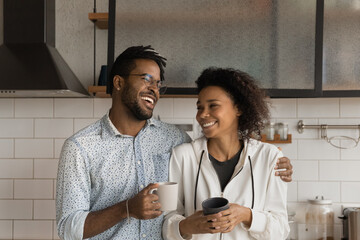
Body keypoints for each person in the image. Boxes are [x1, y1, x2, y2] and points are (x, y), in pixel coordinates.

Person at [56, 46, 293, 240]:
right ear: (118, 83)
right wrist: (126, 208)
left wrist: (271, 157)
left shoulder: (174, 141)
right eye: (146, 79)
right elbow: (68, 228)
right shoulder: (80, 148)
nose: (154, 89)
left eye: (158, 84)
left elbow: (220, 148)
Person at [163, 67, 290, 239]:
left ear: (238, 108)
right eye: (199, 107)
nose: (202, 114)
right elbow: (165, 221)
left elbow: (281, 230)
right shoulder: (182, 156)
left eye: (213, 105)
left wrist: (247, 216)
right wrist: (185, 226)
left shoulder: (269, 157)